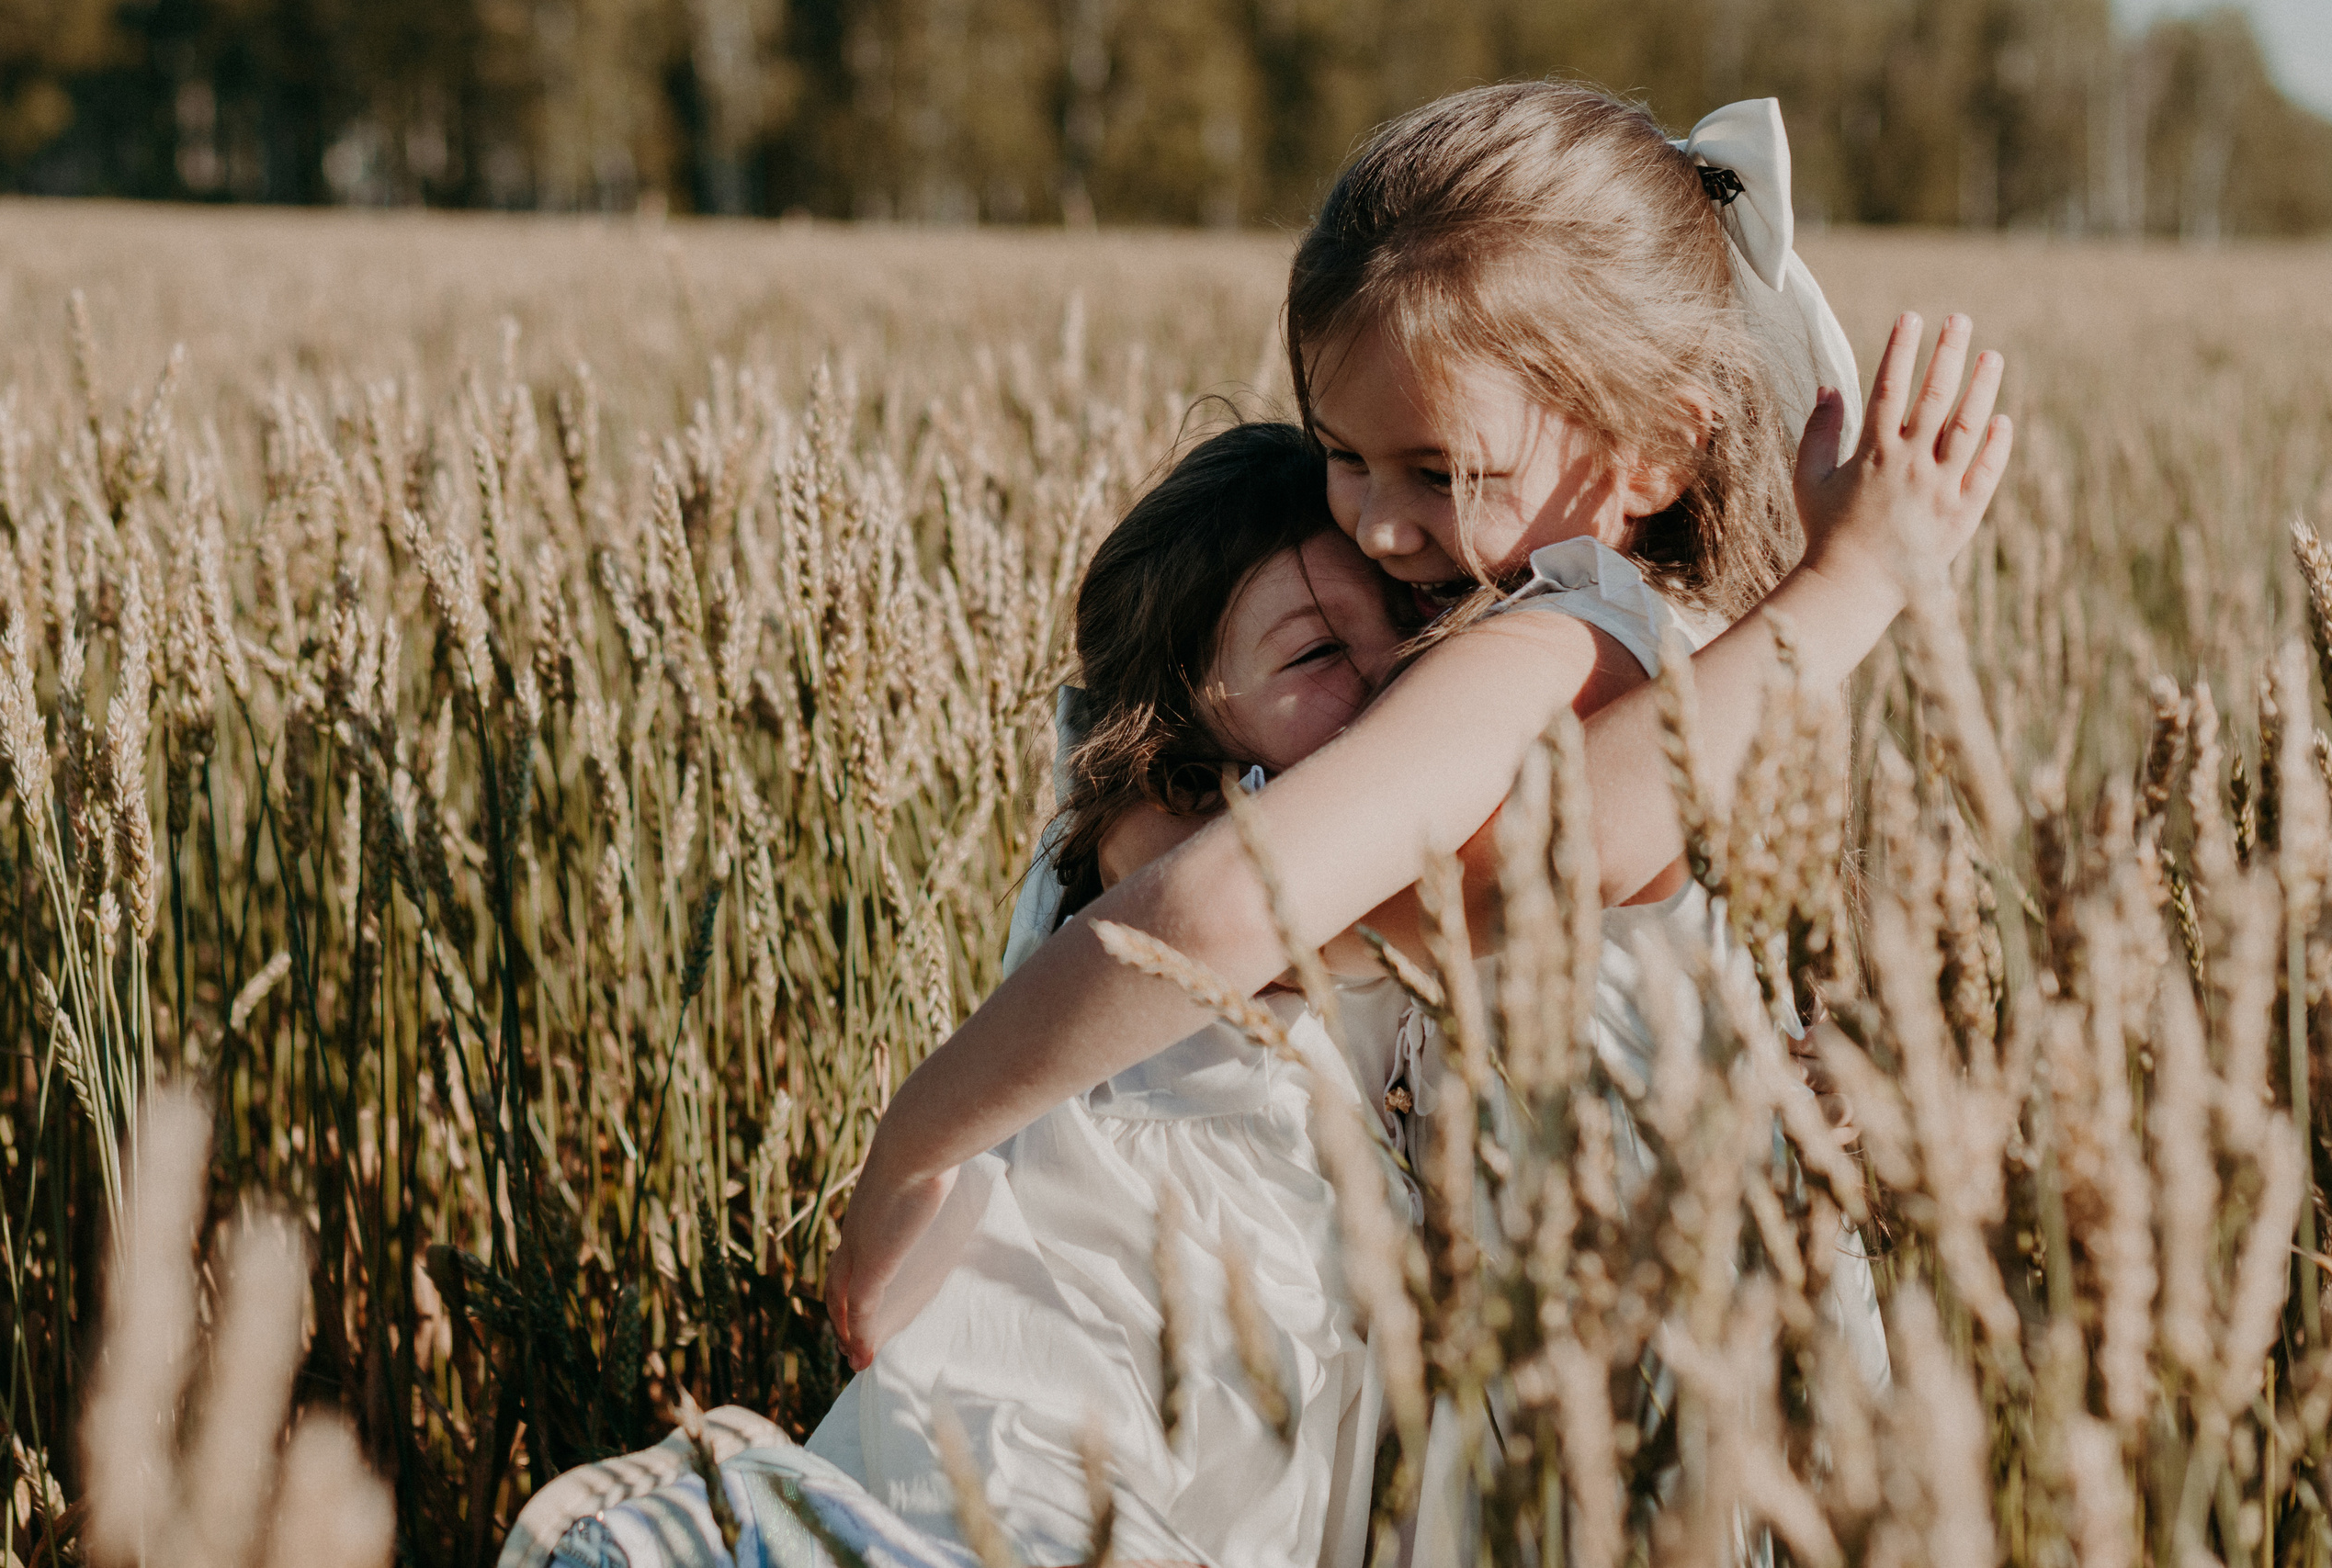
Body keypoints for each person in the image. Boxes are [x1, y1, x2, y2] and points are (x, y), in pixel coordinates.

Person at [830, 79, 2011, 1557]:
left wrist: (914, 1143)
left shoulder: (1551, 646)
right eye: (1345, 451)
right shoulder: (1654, 641)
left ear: (1652, 451)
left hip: (1613, 1363)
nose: (1379, 525)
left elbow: (1237, 910)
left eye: (1440, 473)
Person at [808, 422, 1432, 1567]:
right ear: (1181, 722)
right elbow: (1217, 907)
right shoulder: (1201, 846)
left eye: (1401, 619)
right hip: (1091, 1347)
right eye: (1313, 654)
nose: (1386, 668)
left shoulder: (1211, 818)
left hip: (1241, 1368)